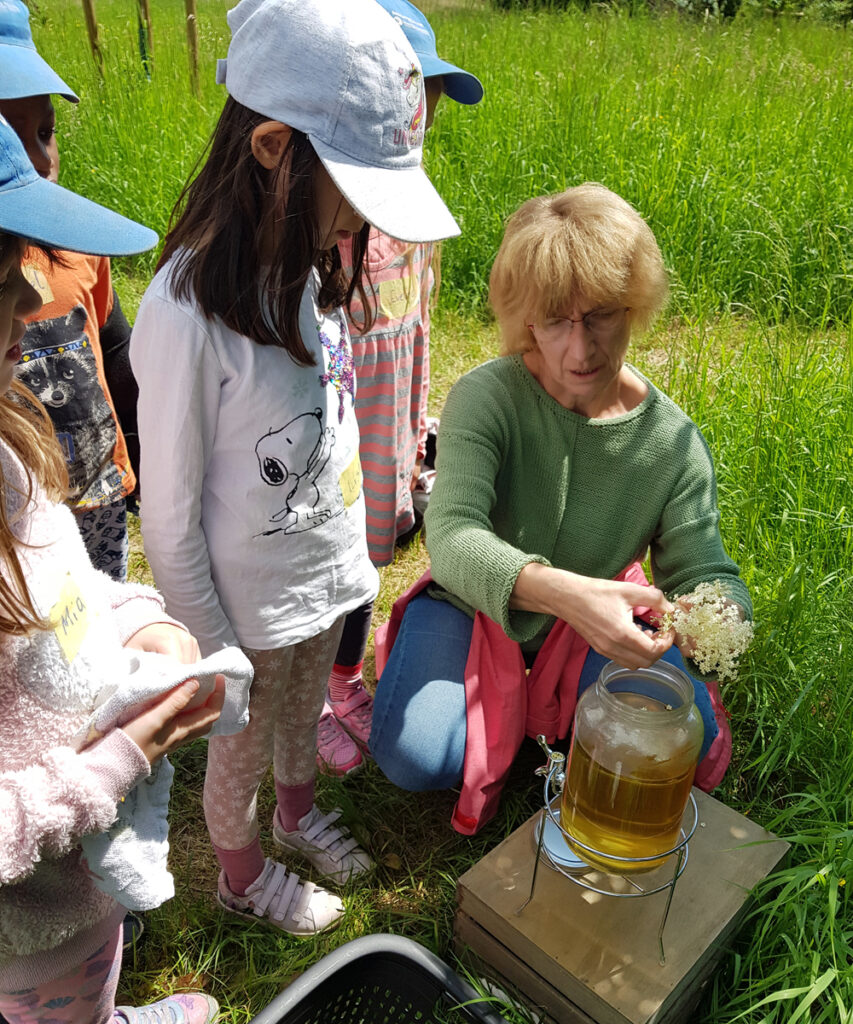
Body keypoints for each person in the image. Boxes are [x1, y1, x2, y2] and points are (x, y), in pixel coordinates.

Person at [130, 0, 459, 934]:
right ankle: (239, 873)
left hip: (322, 584)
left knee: (303, 710)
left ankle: (297, 811)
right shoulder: (185, 314)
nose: (361, 218)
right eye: (353, 186)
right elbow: (170, 514)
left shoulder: (310, 272)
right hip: (242, 616)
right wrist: (213, 646)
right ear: (273, 150)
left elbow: (337, 418)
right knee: (239, 745)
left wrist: (353, 562)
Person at [370, 183, 752, 834]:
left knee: (677, 738)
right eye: (555, 320)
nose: (581, 350)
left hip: (597, 623)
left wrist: (715, 615)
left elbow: (702, 568)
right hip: (475, 602)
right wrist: (566, 594)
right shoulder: (485, 398)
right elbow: (453, 535)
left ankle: (528, 714)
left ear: (633, 306)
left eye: (600, 314)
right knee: (417, 754)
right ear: (524, 319)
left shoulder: (672, 444)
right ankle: (511, 714)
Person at [0, 117, 224, 1024]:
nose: (28, 290)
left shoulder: (7, 449)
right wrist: (121, 758)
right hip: (30, 926)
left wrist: (139, 619)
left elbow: (69, 587)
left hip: (81, 887)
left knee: (97, 972)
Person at [317, 0, 483, 776]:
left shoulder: (413, 213)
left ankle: (345, 677)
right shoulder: (323, 224)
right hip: (328, 444)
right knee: (323, 567)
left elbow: (417, 329)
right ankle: (307, 693)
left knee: (367, 565)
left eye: (431, 105)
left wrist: (418, 428)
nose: (424, 120)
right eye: (417, 97)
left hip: (391, 432)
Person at [0, 1, 142, 582]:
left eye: (44, 132)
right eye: (11, 135)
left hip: (98, 487)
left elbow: (114, 351)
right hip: (23, 507)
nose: (37, 156)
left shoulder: (81, 245)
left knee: (104, 600)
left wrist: (143, 462)